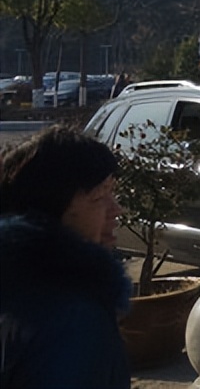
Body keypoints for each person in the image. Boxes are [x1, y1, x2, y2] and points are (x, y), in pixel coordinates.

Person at [0, 125, 131, 389]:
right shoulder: (71, 319)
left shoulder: (18, 285)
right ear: (52, 208)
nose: (116, 209)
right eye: (99, 196)